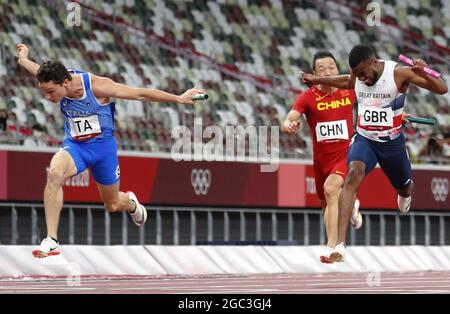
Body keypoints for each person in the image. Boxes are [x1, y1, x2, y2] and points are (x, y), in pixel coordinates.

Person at [16, 43, 206, 258]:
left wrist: (179, 98)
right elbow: (33, 67)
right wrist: (23, 57)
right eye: (44, 92)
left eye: (51, 92)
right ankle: (52, 239)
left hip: (104, 150)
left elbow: (140, 94)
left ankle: (132, 204)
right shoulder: (54, 78)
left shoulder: (97, 86)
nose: (48, 97)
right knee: (55, 174)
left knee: (113, 204)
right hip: (76, 146)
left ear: (66, 82)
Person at [303, 44, 448, 262]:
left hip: (391, 145)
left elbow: (442, 88)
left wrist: (423, 71)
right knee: (353, 174)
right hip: (365, 140)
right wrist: (317, 80)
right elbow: (345, 81)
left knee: (405, 186)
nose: (361, 79)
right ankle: (340, 245)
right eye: (357, 75)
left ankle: (404, 194)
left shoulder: (397, 73)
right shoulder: (357, 77)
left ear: (374, 62)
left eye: (364, 74)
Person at [282, 51, 363, 264]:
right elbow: (289, 118)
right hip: (321, 160)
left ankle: (332, 246)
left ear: (338, 69)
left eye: (332, 67)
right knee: (327, 205)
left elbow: (375, 99)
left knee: (330, 188)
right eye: (322, 69)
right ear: (314, 73)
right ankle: (351, 203)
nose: (328, 72)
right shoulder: (308, 97)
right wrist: (289, 125)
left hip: (346, 153)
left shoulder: (350, 90)